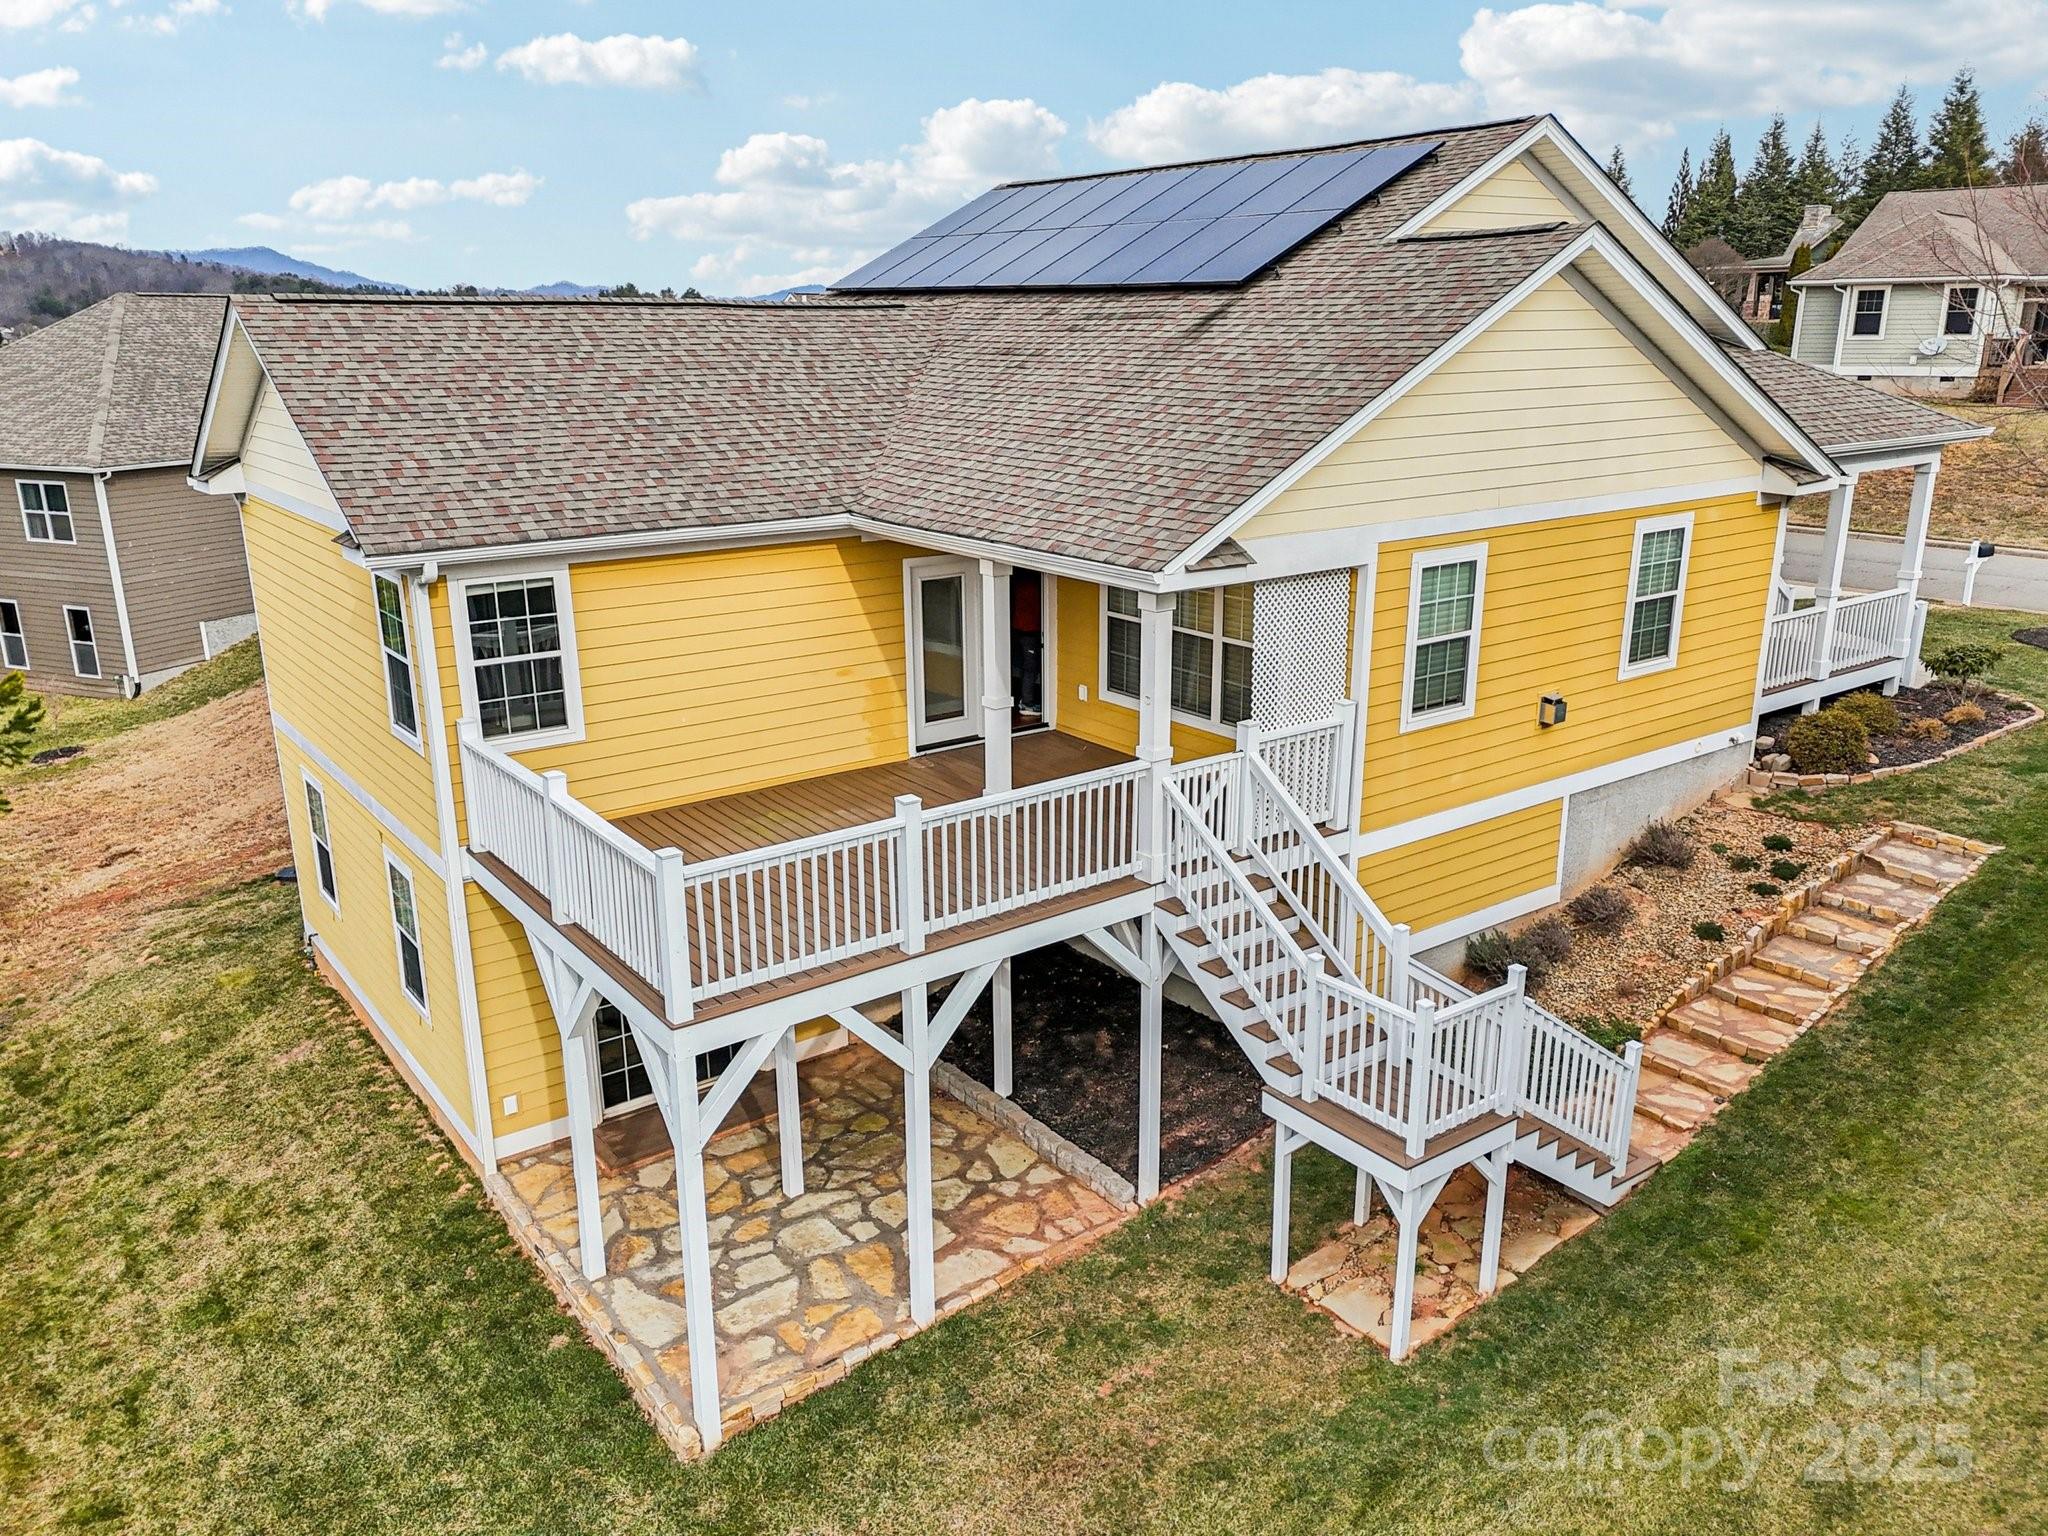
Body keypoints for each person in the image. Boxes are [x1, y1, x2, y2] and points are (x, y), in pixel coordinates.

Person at [1012, 571, 1043, 721]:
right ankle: (1027, 703)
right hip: (1028, 632)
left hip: (1021, 630)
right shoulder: (1031, 587)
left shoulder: (1021, 583)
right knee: (1030, 668)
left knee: (1026, 667)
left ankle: (1025, 699)